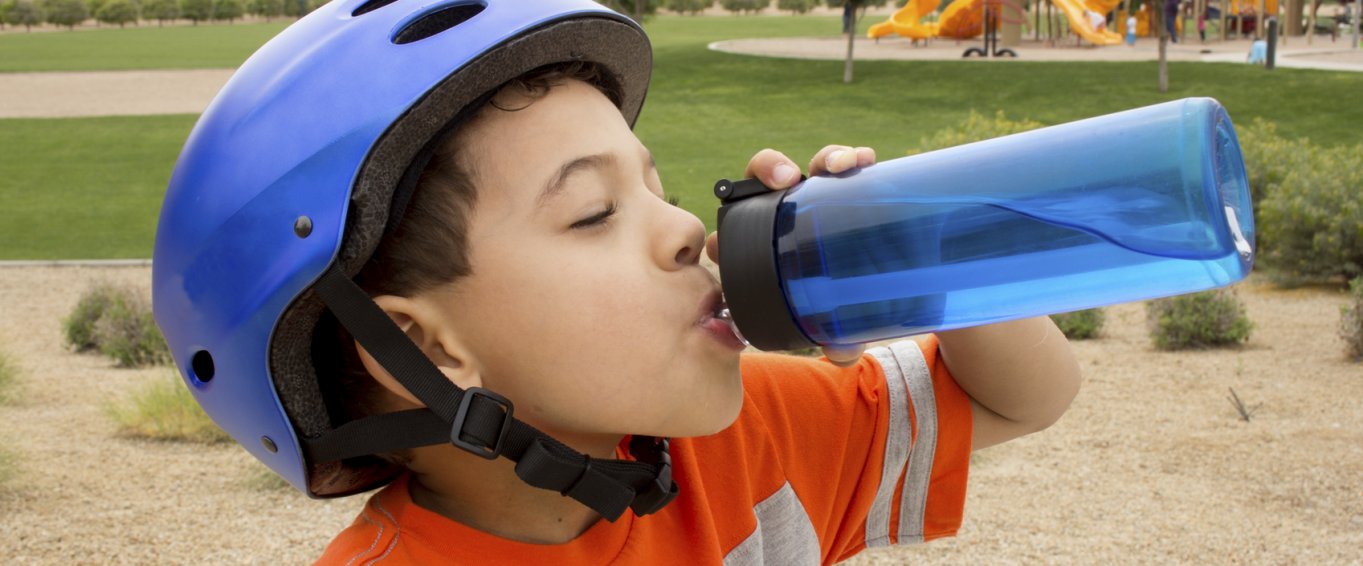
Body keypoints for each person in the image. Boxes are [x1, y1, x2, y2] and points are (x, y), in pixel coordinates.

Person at [152, 1, 1082, 563]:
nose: (684, 228)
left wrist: (922, 255)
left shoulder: (746, 442)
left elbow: (1018, 398)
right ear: (430, 346)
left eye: (659, 189)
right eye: (594, 213)